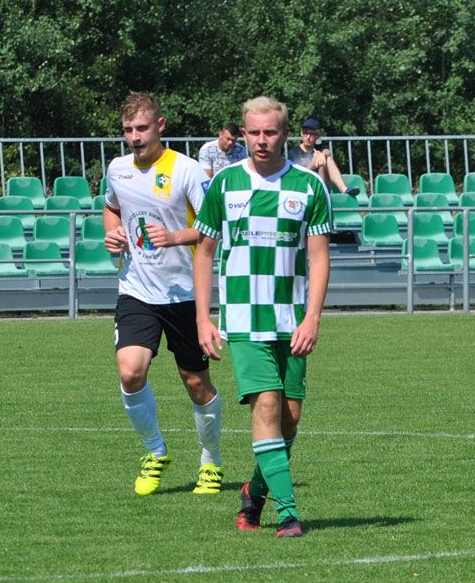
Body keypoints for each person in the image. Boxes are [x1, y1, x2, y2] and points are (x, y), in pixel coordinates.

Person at [194, 96, 332, 539]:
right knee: (267, 407)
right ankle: (289, 514)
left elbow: (319, 258)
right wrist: (203, 318)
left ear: (284, 135)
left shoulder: (309, 187)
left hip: (292, 319)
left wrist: (313, 318)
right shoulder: (225, 184)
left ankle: (253, 494)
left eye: (270, 132)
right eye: (253, 132)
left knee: (289, 418)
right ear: (243, 133)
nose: (261, 139)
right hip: (243, 319)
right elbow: (204, 252)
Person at [102, 91, 225, 496]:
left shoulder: (187, 170)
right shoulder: (118, 169)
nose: (134, 137)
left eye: (141, 128)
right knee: (130, 371)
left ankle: (210, 460)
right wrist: (112, 233)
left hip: (184, 293)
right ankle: (155, 451)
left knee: (195, 383)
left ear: (160, 125)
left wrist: (174, 237)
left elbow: (213, 225)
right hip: (136, 289)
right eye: (127, 130)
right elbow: (112, 208)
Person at [286, 117, 360, 197]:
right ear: (301, 133)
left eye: (312, 134)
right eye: (305, 133)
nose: (308, 137)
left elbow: (327, 151)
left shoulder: (320, 148)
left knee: (327, 159)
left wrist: (322, 155)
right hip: (303, 188)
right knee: (322, 160)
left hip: (322, 186)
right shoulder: (293, 153)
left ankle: (344, 189)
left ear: (317, 136)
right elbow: (296, 177)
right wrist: (313, 164)